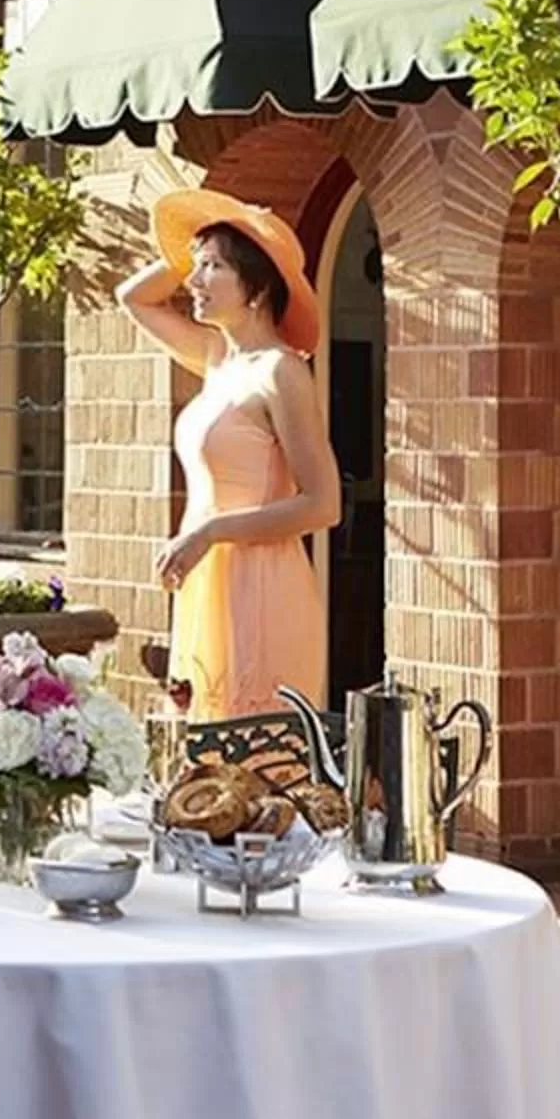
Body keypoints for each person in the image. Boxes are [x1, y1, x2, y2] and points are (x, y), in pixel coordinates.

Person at [116, 189, 337, 721]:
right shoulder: (218, 358)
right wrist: (199, 242)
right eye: (197, 267)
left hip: (261, 584)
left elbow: (324, 505)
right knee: (205, 764)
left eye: (213, 268)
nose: (193, 281)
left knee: (252, 763)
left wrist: (210, 532)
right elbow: (132, 297)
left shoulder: (280, 371)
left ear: (256, 287)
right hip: (205, 581)